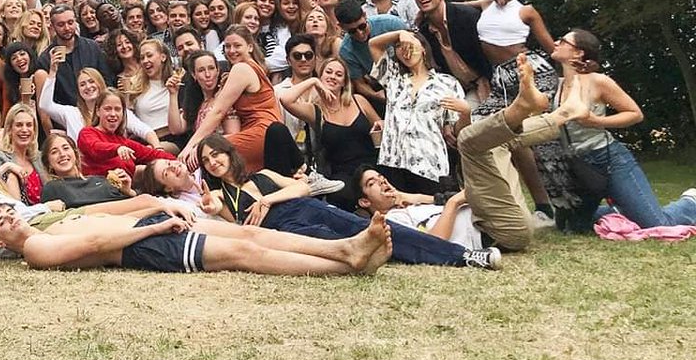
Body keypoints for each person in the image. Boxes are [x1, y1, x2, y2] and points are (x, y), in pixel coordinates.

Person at [198, 136, 500, 269]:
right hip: (283, 231)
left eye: (216, 154)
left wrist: (266, 199)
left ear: (229, 153)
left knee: (370, 228)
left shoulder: (263, 175)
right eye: (206, 161)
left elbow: (304, 187)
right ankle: (402, 256)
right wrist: (212, 207)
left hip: (305, 207)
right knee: (357, 243)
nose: (213, 163)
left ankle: (464, 256)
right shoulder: (222, 196)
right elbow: (229, 221)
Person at [0, 200, 393, 276]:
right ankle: (347, 261)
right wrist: (157, 227)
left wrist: (162, 209)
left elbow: (110, 214)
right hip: (146, 245)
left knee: (249, 231)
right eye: (0, 222)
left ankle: (346, 250)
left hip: (153, 226)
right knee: (243, 252)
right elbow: (94, 245)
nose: (8, 218)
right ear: (1, 242)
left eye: (6, 211)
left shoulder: (55, 220)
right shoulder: (35, 249)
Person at [552, 29, 696, 231]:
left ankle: (691, 202)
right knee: (570, 226)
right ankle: (623, 210)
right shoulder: (556, 86)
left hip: (610, 160)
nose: (556, 42)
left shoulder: (598, 81)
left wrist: (594, 120)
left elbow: (634, 114)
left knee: (657, 224)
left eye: (563, 40)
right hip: (580, 166)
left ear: (579, 53)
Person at [454, 52, 595, 250]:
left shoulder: (406, 207)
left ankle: (563, 113)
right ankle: (523, 106)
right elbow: (433, 237)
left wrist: (409, 199)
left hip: (508, 216)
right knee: (468, 140)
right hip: (503, 231)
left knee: (495, 140)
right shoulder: (403, 228)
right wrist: (453, 203)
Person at [469, 0, 573, 228]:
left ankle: (564, 208)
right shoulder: (484, 6)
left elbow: (552, 48)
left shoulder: (525, 11)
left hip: (530, 72)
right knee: (480, 121)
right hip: (501, 80)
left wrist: (570, 81)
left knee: (543, 139)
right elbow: (453, 6)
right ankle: (520, 203)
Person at [177, 25, 294, 177]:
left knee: (205, 152)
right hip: (265, 132)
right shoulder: (250, 68)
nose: (231, 51)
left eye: (237, 45)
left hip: (261, 132)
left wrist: (191, 145)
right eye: (227, 46)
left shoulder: (242, 69)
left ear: (250, 47)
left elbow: (218, 112)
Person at [367, 29, 465, 194]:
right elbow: (373, 45)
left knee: (434, 212)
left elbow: (457, 130)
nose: (405, 48)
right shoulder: (393, 78)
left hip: (430, 162)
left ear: (424, 48)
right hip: (394, 160)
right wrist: (400, 34)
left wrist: (467, 112)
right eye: (399, 46)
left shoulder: (447, 83)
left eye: (410, 44)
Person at [278, 56, 381, 198]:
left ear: (344, 82)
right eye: (328, 72)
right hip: (343, 173)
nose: (333, 77)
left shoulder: (359, 101)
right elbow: (285, 100)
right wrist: (313, 81)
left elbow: (380, 124)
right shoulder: (315, 111)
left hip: (372, 163)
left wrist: (379, 126)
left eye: (339, 75)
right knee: (340, 195)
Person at [355, 167, 487, 252]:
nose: (382, 182)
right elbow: (433, 244)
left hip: (483, 210)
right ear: (365, 201)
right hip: (483, 228)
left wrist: (410, 197)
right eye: (372, 183)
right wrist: (453, 203)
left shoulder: (410, 205)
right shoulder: (392, 220)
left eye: (381, 178)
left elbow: (443, 199)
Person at [410, 0, 491, 89]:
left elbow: (489, 54)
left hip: (489, 82)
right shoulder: (424, 31)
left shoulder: (466, 16)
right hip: (458, 90)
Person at [40, 65, 159, 144]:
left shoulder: (115, 111)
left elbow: (145, 130)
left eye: (92, 81)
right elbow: (45, 105)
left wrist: (156, 147)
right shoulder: (71, 113)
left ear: (100, 83)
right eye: (82, 84)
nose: (88, 87)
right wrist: (53, 72)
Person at [78, 89, 176, 177]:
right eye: (107, 109)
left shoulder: (123, 142)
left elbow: (151, 154)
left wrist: (177, 163)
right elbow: (94, 147)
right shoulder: (87, 133)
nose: (113, 114)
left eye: (117, 109)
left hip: (125, 191)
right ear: (98, 111)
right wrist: (117, 149)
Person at [34, 4, 112, 107]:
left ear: (76, 22)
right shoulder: (45, 59)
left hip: (97, 111)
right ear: (52, 26)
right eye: (61, 24)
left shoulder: (92, 47)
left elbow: (106, 81)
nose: (67, 28)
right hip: (65, 116)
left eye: (70, 23)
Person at [334, 0, 404, 104]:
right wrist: (375, 95)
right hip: (384, 86)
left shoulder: (391, 23)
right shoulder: (346, 50)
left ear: (365, 15)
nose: (360, 33)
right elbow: (359, 83)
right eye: (352, 31)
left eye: (362, 26)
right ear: (341, 27)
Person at [39, 132, 137, 206]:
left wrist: (127, 191)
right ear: (48, 163)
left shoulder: (100, 180)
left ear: (76, 154)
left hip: (126, 218)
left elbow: (131, 203)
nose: (62, 154)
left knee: (147, 199)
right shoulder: (52, 188)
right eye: (54, 152)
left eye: (66, 148)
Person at [0, 104, 47, 203]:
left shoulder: (39, 157)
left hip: (48, 211)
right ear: (9, 129)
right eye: (19, 125)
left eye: (29, 125)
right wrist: (8, 166)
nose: (24, 130)